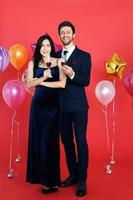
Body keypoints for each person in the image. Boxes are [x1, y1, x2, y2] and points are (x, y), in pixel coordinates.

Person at [26, 34, 66, 194]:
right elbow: (29, 84)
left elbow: (62, 84)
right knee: (39, 142)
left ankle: (53, 180)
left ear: (52, 47)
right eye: (42, 45)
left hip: (54, 107)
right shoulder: (33, 63)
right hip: (38, 107)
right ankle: (44, 181)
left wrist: (41, 82)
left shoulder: (59, 61)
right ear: (38, 48)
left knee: (51, 142)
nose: (45, 48)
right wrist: (42, 76)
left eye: (48, 45)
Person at [56, 21, 91, 197]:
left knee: (80, 142)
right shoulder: (55, 56)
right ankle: (73, 175)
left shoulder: (84, 56)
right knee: (67, 143)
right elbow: (49, 78)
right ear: (59, 36)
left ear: (74, 34)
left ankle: (82, 180)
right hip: (61, 107)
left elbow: (86, 80)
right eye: (62, 33)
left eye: (68, 32)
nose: (65, 35)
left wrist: (72, 74)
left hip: (78, 107)